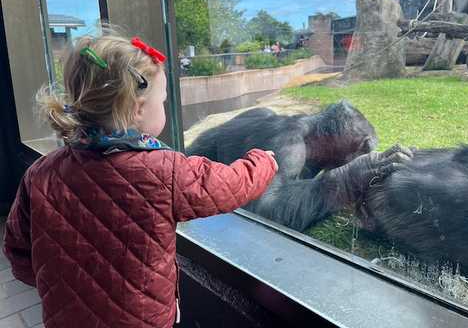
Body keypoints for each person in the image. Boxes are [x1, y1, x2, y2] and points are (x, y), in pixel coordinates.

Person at [3, 31, 278, 328]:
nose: (164, 107)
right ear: (136, 110)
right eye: (161, 101)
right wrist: (262, 161)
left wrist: (61, 286)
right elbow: (228, 186)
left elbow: (19, 251)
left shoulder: (41, 173)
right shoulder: (164, 170)